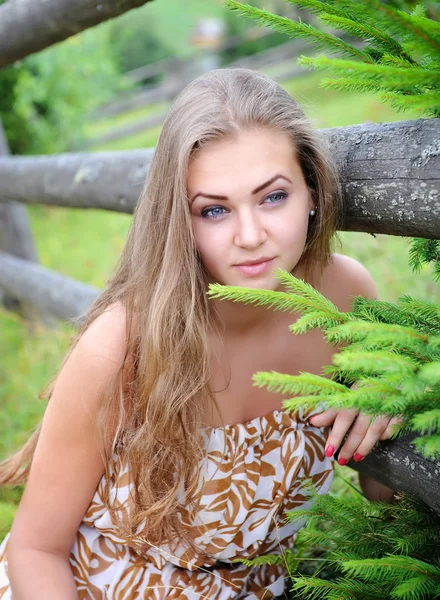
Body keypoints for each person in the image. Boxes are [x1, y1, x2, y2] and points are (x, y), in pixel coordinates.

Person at [0, 68, 400, 600]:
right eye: (214, 210)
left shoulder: (347, 298)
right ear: (181, 223)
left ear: (311, 190)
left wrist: (394, 407)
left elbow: (382, 495)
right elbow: (34, 552)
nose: (251, 236)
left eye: (273, 197)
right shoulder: (123, 344)